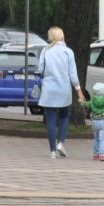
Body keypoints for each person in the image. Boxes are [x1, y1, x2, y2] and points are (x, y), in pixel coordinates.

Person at [37, 27, 84, 159]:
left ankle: (52, 150)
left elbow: (40, 69)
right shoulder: (68, 52)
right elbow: (73, 74)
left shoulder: (45, 51)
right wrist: (79, 91)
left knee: (51, 119)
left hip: (49, 89)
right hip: (64, 89)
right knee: (64, 117)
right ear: (62, 37)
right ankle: (61, 142)